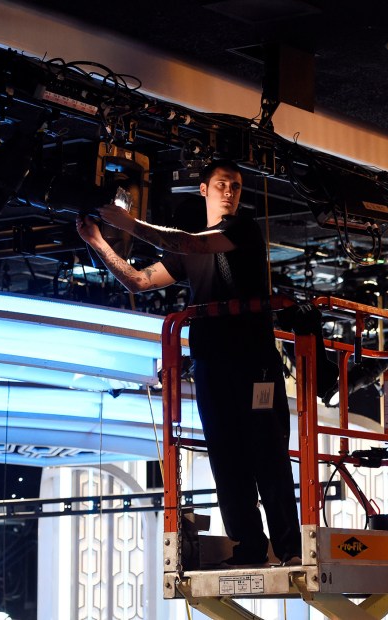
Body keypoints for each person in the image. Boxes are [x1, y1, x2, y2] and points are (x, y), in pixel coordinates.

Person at [76, 159, 301, 566]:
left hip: (255, 363)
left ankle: (289, 549)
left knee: (266, 452)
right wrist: (99, 243)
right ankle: (250, 546)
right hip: (213, 361)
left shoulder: (242, 229)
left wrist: (128, 224)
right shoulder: (190, 245)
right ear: (203, 190)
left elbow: (188, 244)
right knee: (226, 455)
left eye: (235, 185)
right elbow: (139, 281)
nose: (229, 192)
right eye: (221, 184)